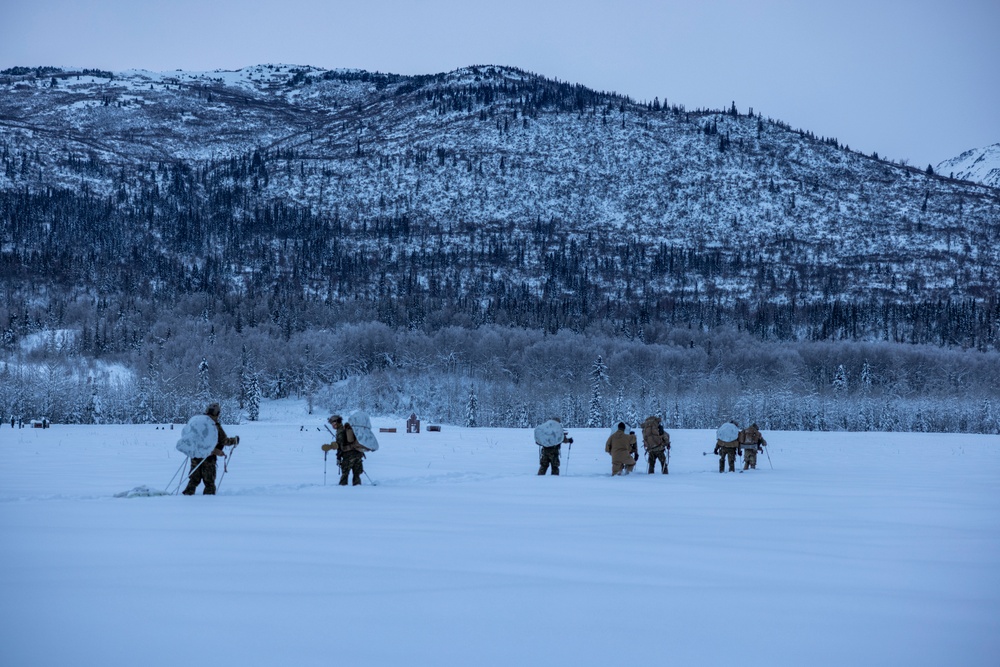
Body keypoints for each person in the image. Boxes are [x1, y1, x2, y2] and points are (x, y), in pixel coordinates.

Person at [183, 402, 239, 495]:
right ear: (217, 413)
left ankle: (187, 496)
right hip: (209, 458)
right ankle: (209, 503)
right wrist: (234, 440)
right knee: (209, 483)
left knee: (193, 480)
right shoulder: (214, 425)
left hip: (195, 456)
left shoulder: (198, 423)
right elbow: (224, 441)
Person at [329, 414, 372, 486]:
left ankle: (342, 490)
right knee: (357, 475)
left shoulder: (340, 431)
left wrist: (338, 457)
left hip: (348, 456)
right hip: (358, 453)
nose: (332, 425)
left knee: (345, 474)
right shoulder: (349, 429)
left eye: (333, 423)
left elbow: (339, 446)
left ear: (337, 422)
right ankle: (358, 489)